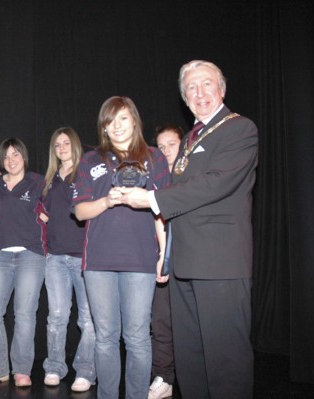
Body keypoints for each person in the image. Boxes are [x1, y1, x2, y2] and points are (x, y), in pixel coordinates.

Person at [119, 60, 258, 398]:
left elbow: (216, 184)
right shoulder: (191, 138)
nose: (200, 93)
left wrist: (152, 199)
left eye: (207, 84)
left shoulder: (238, 129)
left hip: (220, 263)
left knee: (226, 361)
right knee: (191, 360)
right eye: (191, 88)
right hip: (185, 263)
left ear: (221, 89)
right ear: (185, 98)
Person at [72, 96, 170, 399]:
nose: (117, 126)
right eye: (110, 120)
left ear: (134, 121)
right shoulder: (90, 160)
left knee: (138, 338)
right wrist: (106, 201)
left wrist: (163, 257)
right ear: (103, 126)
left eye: (123, 118)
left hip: (141, 260)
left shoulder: (155, 158)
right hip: (99, 262)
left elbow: (163, 212)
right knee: (105, 338)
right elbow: (79, 212)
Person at [0, 138, 47, 388]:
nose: (11, 160)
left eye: (16, 154)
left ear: (24, 157)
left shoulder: (39, 181)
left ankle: (21, 369)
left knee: (25, 314)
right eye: (6, 156)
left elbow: (55, 209)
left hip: (31, 254)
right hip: (0, 255)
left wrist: (45, 217)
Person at [41, 127, 96, 392]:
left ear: (74, 145)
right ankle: (54, 367)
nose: (62, 148)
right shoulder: (51, 179)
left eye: (66, 143)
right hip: (55, 257)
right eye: (57, 144)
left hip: (84, 257)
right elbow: (51, 213)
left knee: (87, 319)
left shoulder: (86, 173)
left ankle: (85, 370)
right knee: (57, 316)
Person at [148, 124, 184, 399]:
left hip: (196, 259)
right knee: (160, 321)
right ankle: (164, 377)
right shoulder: (155, 180)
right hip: (162, 260)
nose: (166, 150)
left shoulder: (195, 177)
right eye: (160, 147)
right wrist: (162, 256)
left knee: (193, 323)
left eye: (171, 144)